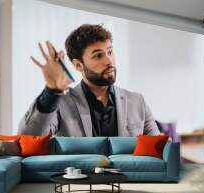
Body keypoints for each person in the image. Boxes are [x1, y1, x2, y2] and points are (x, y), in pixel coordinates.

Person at [18, 24, 160, 137]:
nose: (109, 60)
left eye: (110, 52)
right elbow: (28, 137)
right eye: (98, 56)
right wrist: (51, 91)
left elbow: (159, 150)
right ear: (78, 65)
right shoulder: (62, 103)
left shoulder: (137, 102)